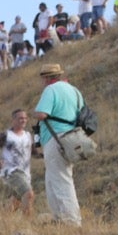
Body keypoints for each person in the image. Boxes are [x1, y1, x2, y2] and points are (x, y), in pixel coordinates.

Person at [31, 63, 84, 226]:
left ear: (46, 78)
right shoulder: (74, 90)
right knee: (53, 178)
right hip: (72, 138)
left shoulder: (50, 90)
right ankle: (59, 218)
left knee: (60, 179)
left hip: (56, 137)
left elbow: (41, 114)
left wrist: (34, 112)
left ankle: (71, 221)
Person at [0, 109, 36, 216]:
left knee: (16, 201)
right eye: (20, 118)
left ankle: (1, 221)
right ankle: (27, 225)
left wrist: (48, 154)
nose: (23, 120)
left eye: (25, 118)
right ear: (13, 120)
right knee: (28, 194)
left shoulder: (28, 136)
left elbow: (34, 153)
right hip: (11, 171)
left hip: (25, 172)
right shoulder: (6, 135)